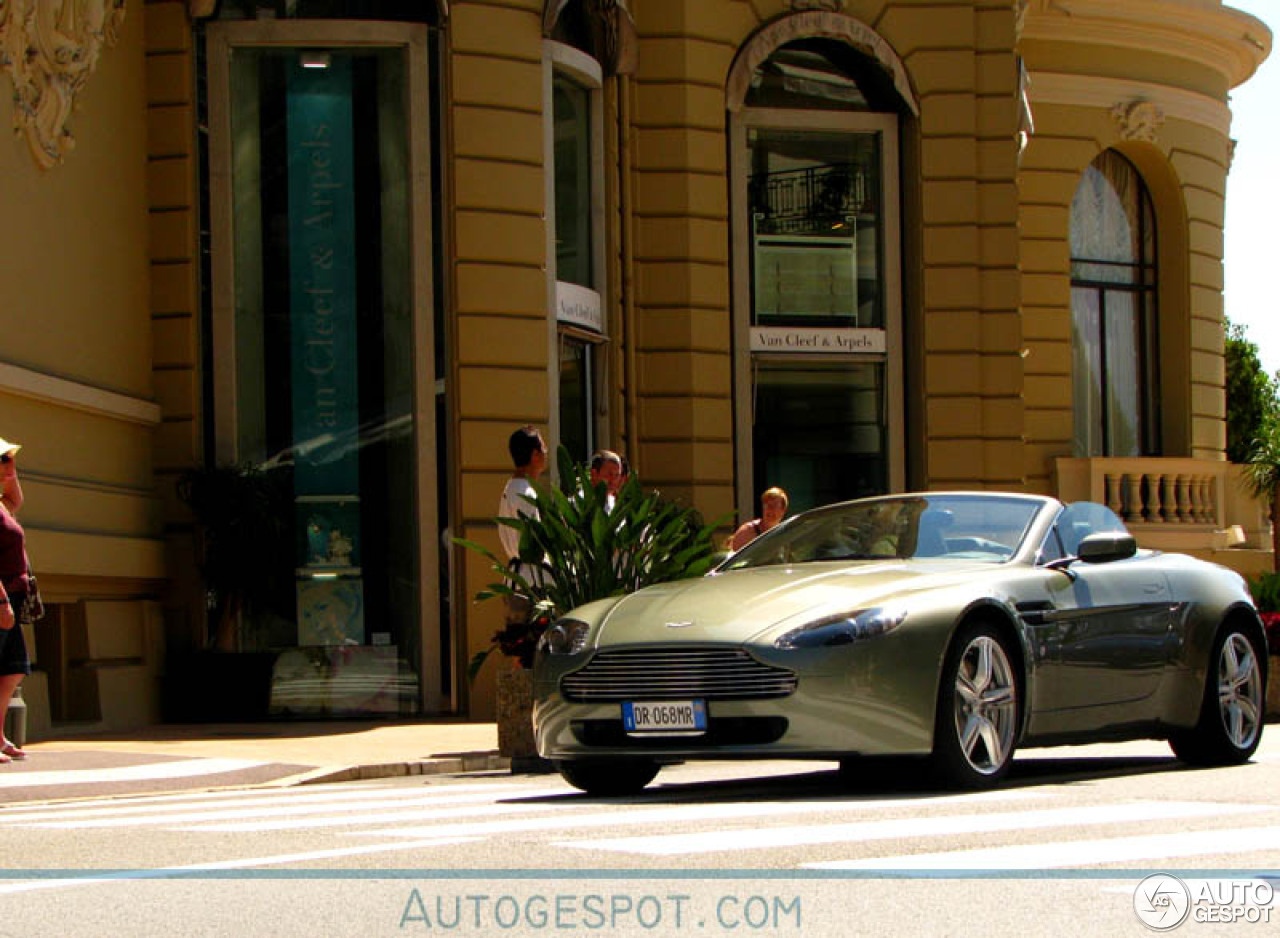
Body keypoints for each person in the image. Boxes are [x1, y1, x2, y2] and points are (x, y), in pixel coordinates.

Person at [0, 437, 31, 763]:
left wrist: (11, 472)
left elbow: (16, 501)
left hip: (14, 594)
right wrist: (2, 602)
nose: (11, 466)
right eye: (5, 460)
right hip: (2, 598)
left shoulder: (1, 502)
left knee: (13, 669)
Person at [498, 426, 548, 597]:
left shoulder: (512, 487)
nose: (546, 453)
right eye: (543, 448)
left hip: (518, 578)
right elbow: (535, 542)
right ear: (535, 455)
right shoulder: (525, 492)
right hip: (531, 581)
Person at [729, 486, 789, 552]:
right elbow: (734, 558)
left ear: (783, 510)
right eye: (767, 505)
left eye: (774, 506)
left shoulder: (786, 534)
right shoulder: (747, 531)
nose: (770, 510)